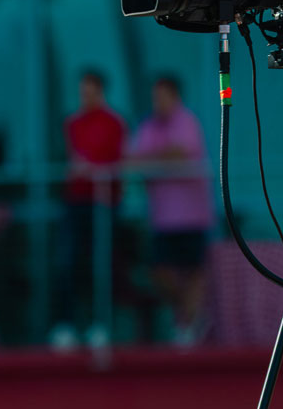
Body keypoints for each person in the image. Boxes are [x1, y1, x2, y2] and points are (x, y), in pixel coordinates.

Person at [130, 75, 213, 344]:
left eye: (162, 96)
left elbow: (179, 154)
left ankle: (188, 326)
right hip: (162, 218)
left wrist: (153, 160)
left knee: (193, 271)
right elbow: (132, 160)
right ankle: (189, 316)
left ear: (175, 96)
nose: (158, 103)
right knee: (161, 273)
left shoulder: (186, 121)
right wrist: (160, 158)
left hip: (192, 214)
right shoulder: (149, 126)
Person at [55, 69, 127, 349]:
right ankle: (67, 326)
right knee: (68, 262)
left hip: (104, 204)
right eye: (82, 92)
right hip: (76, 201)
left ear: (101, 92)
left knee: (103, 263)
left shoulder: (114, 123)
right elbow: (77, 160)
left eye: (90, 92)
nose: (85, 97)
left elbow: (110, 160)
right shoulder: (73, 123)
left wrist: (91, 168)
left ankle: (102, 326)